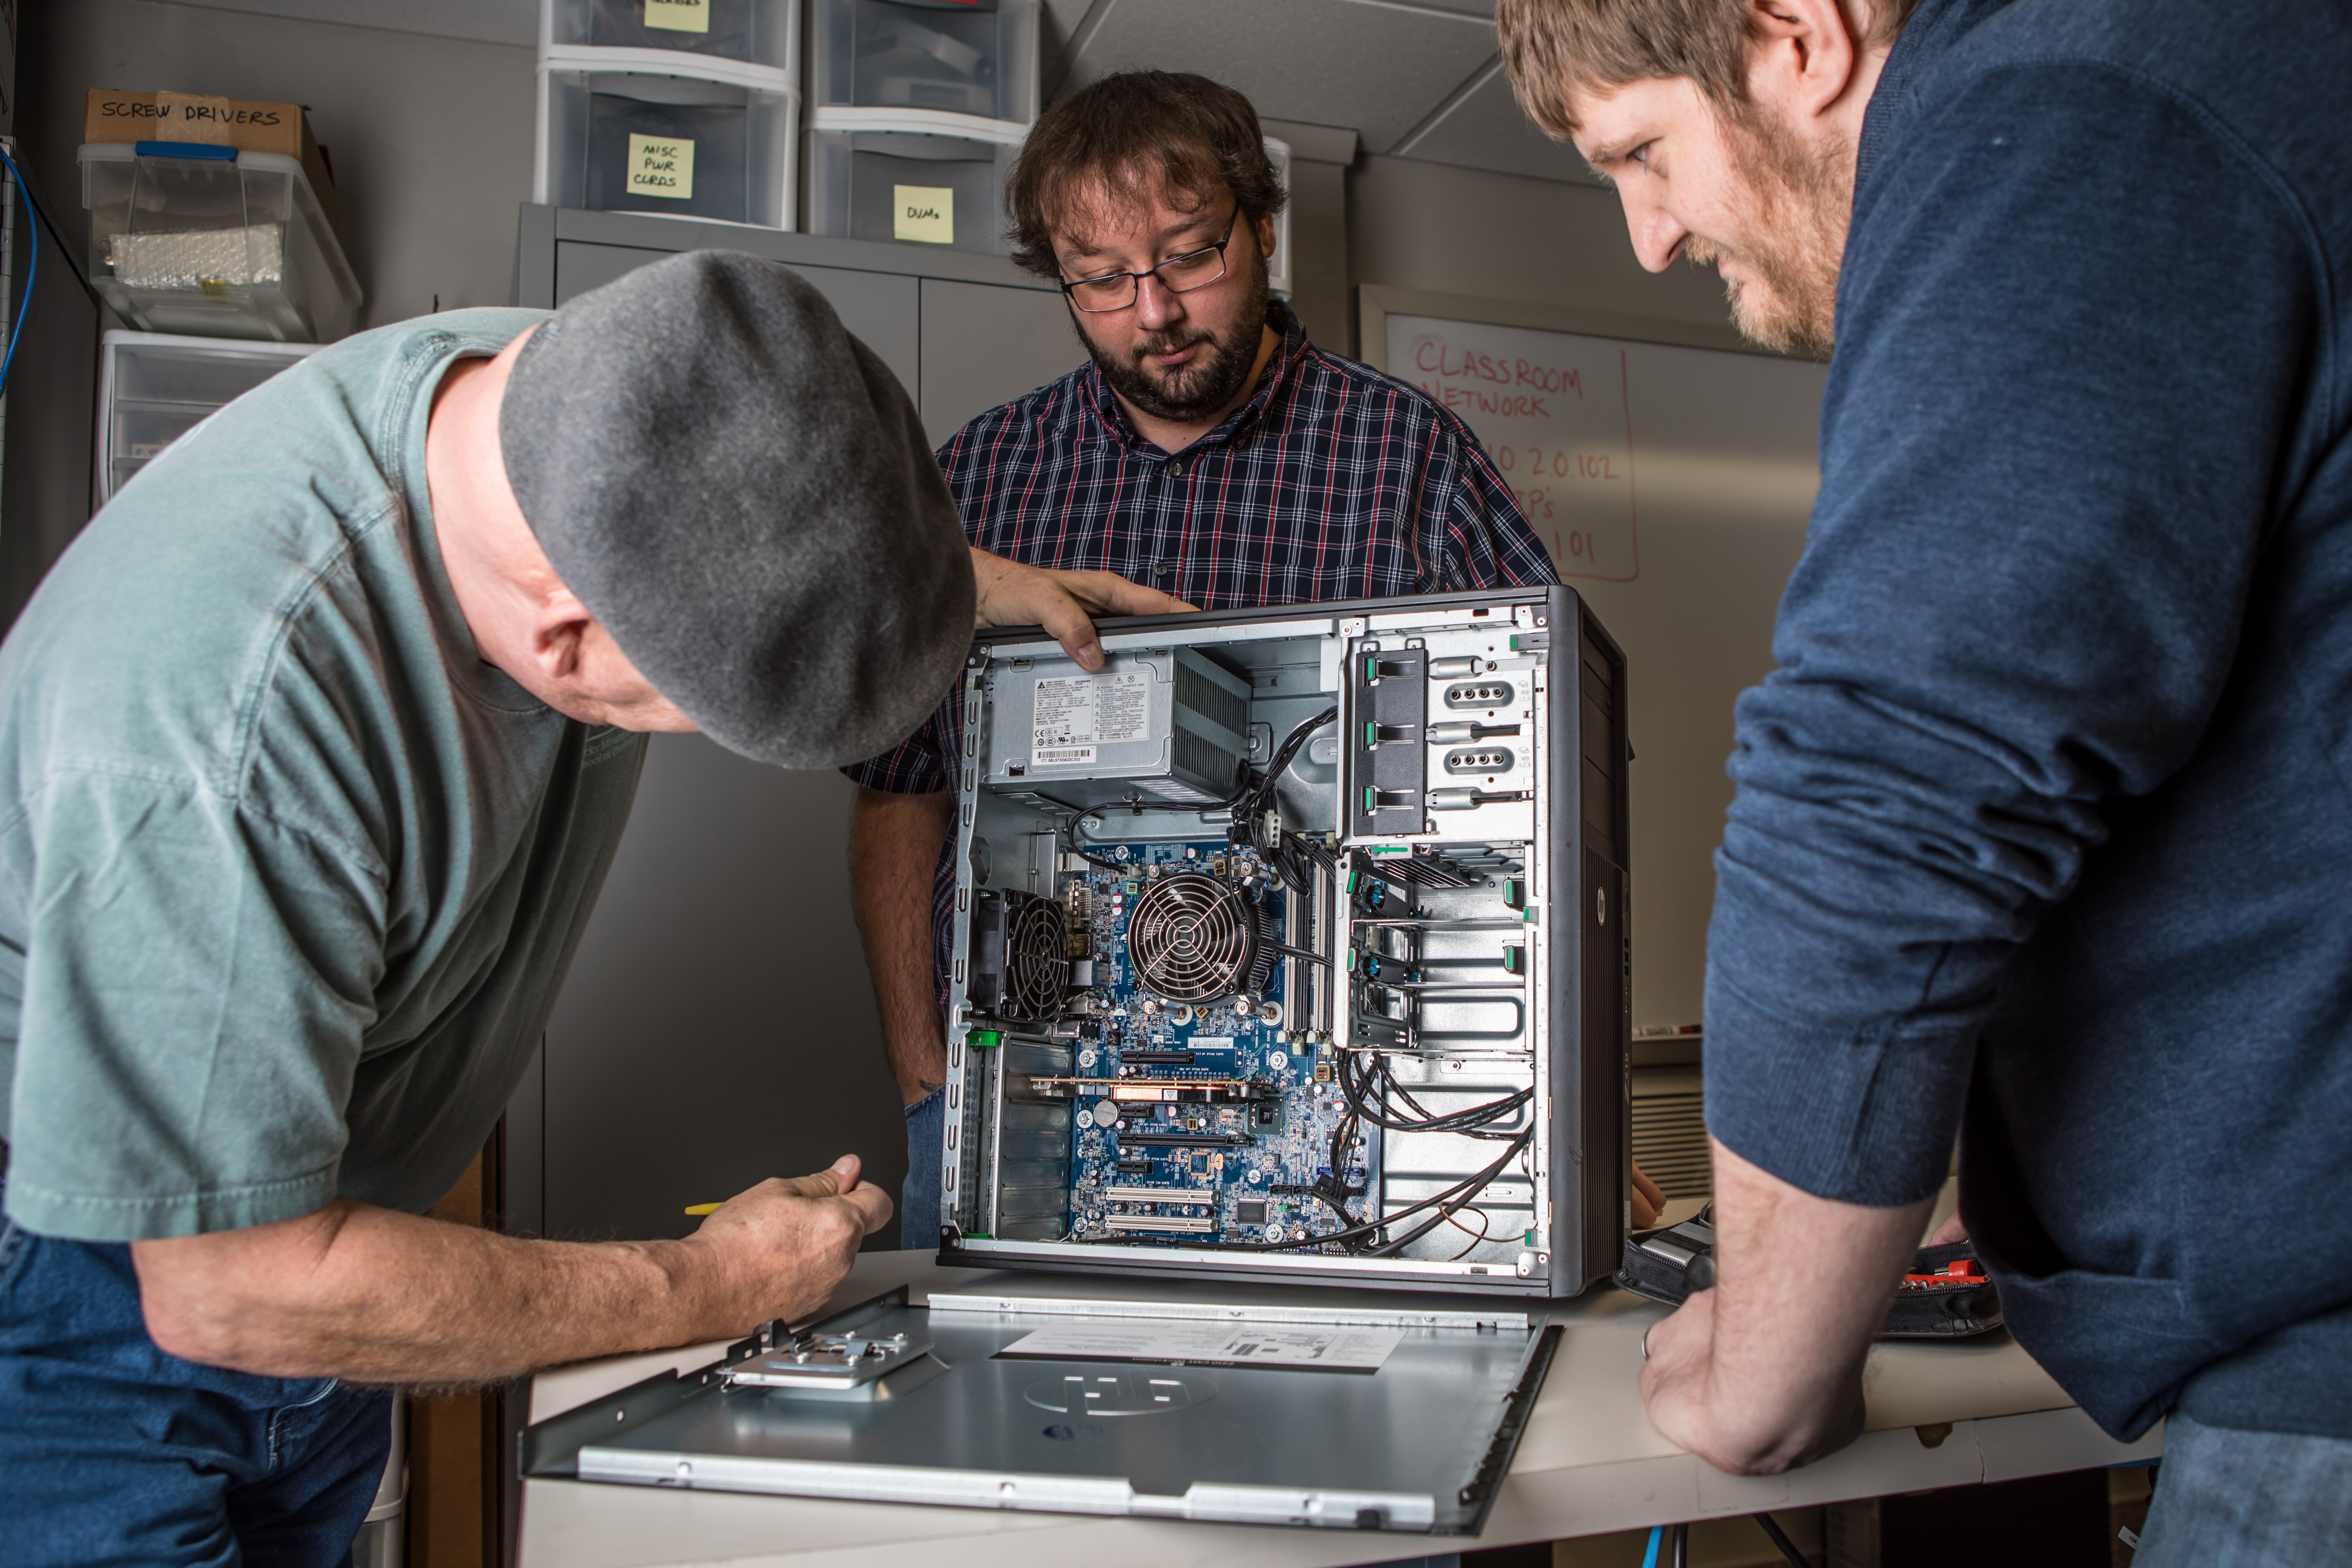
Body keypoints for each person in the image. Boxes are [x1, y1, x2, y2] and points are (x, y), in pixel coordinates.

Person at [1497, 0, 2352, 1557]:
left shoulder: (2066, 105)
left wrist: (1761, 1360)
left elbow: (1893, 791)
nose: (1647, 236)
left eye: (1644, 152)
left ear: (1797, 33)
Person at [0, 252, 985, 1564]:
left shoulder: (580, 393)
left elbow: (771, 496)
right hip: (99, 1301)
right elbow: (232, 1290)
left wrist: (932, 592)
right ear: (565, 640)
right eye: (673, 715)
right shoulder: (224, 728)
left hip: (322, 1238)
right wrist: (712, 1286)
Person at [842, 70, 1612, 1249]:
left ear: (1262, 226)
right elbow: (902, 796)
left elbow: (1542, 794)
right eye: (1098, 278)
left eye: (1191, 256)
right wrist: (925, 1078)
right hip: (1031, 1106)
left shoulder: (1407, 459)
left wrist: (1549, 1089)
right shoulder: (986, 476)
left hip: (1350, 1114)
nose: (1151, 311)